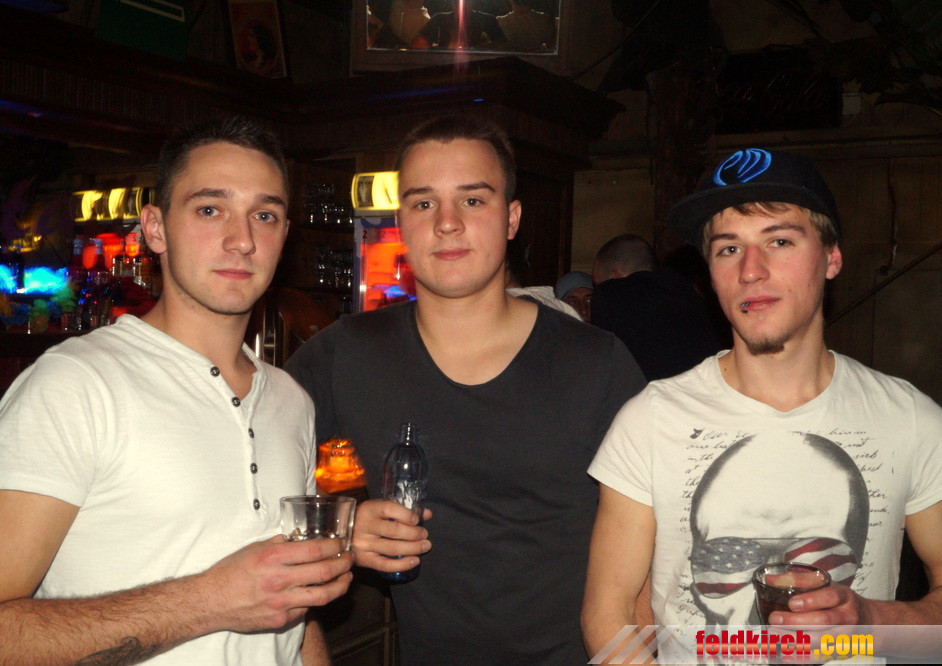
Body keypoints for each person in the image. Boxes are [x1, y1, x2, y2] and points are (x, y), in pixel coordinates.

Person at [582, 148, 942, 658]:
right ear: (709, 272)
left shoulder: (909, 419)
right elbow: (613, 611)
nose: (751, 270)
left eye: (779, 241)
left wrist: (869, 620)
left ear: (832, 257)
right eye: (729, 248)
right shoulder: (650, 419)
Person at [285, 115, 645, 664]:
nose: (447, 223)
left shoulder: (597, 364)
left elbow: (657, 551)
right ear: (401, 223)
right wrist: (343, 527)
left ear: (511, 218)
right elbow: (245, 470)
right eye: (424, 203)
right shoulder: (346, 354)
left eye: (473, 200)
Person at [0, 117, 353, 665]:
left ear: (284, 236)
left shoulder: (291, 400)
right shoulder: (74, 386)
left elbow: (289, 609)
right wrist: (210, 601)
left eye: (264, 215)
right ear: (156, 228)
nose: (243, 240)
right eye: (210, 209)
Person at [590, 233, 728, 380]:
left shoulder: (610, 294)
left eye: (597, 284)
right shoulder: (695, 295)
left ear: (614, 278)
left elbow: (601, 366)